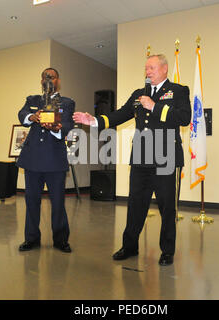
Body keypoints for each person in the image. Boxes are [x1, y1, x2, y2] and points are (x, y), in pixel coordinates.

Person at [73, 54, 191, 266]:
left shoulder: (179, 91)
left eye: (152, 68)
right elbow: (120, 114)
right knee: (136, 204)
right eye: (146, 68)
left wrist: (155, 106)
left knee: (167, 207)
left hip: (167, 158)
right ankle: (129, 246)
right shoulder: (138, 94)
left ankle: (167, 251)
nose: (148, 72)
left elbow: (184, 118)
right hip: (140, 159)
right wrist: (94, 121)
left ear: (165, 69)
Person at [17, 68, 75, 253]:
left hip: (54, 160)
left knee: (58, 202)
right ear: (41, 80)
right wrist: (31, 116)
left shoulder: (66, 103)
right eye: (44, 77)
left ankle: (60, 240)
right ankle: (31, 239)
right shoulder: (33, 100)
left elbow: (66, 125)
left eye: (51, 77)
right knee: (31, 201)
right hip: (33, 159)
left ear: (58, 80)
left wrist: (56, 127)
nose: (48, 79)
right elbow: (22, 114)